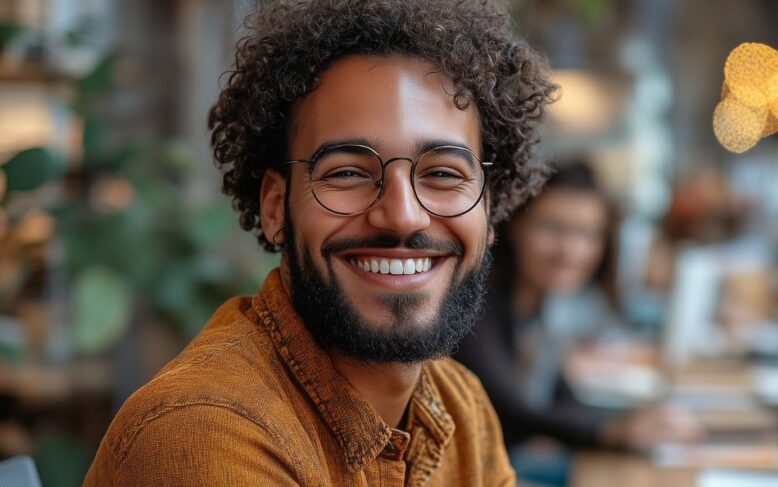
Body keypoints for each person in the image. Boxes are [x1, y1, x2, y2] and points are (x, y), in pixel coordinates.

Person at [84, 1, 558, 485]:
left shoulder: (462, 408)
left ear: (488, 208)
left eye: (442, 173)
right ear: (275, 208)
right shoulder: (203, 432)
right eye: (348, 172)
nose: (402, 215)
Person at [455, 162, 703, 460]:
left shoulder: (537, 307)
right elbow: (510, 411)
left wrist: (641, 419)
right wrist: (612, 429)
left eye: (587, 234)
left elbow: (562, 400)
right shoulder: (475, 303)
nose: (570, 252)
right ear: (516, 226)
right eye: (553, 228)